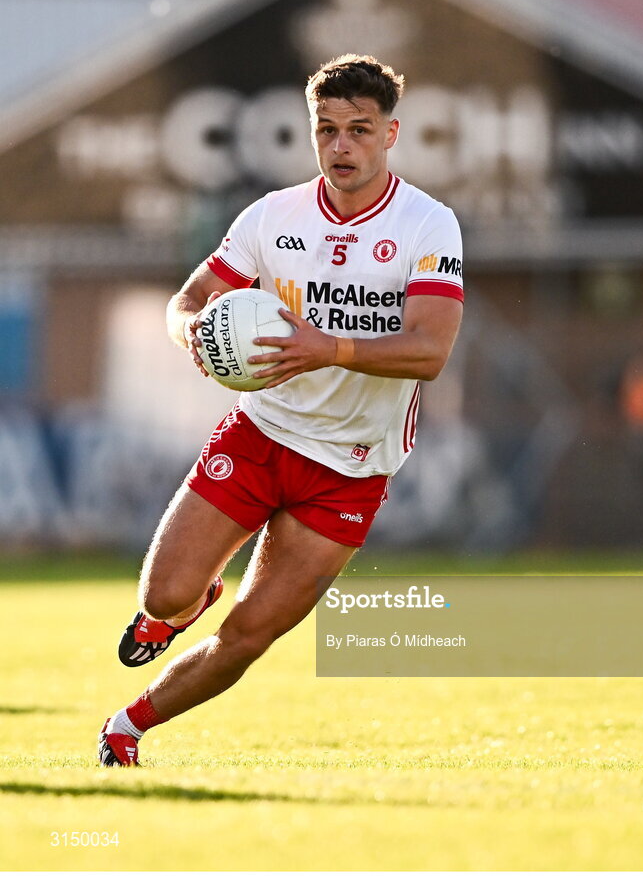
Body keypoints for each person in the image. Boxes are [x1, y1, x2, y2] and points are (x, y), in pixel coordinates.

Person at [98, 54, 464, 766]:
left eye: (359, 129)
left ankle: (127, 726)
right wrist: (196, 338)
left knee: (252, 634)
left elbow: (428, 352)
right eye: (326, 129)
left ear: (391, 134)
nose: (340, 146)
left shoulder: (428, 224)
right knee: (164, 595)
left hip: (352, 467)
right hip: (263, 431)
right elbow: (188, 302)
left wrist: (323, 348)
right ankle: (180, 605)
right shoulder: (272, 215)